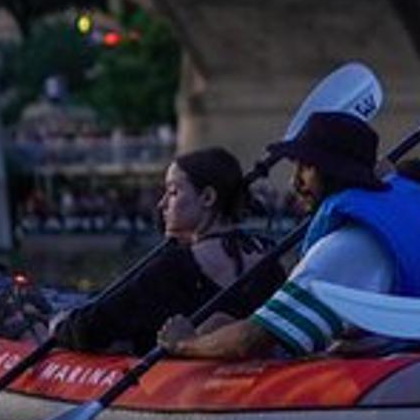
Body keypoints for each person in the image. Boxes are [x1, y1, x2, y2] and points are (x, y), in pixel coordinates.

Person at [156, 112, 420, 360]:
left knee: (224, 330)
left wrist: (187, 343)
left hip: (387, 371)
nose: (295, 182)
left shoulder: (343, 249)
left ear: (335, 172)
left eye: (306, 168)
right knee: (223, 324)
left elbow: (251, 340)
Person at [22, 147, 284, 353]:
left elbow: (91, 329)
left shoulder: (174, 266)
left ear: (207, 198)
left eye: (173, 192)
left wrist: (58, 324)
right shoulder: (269, 259)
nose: (161, 204)